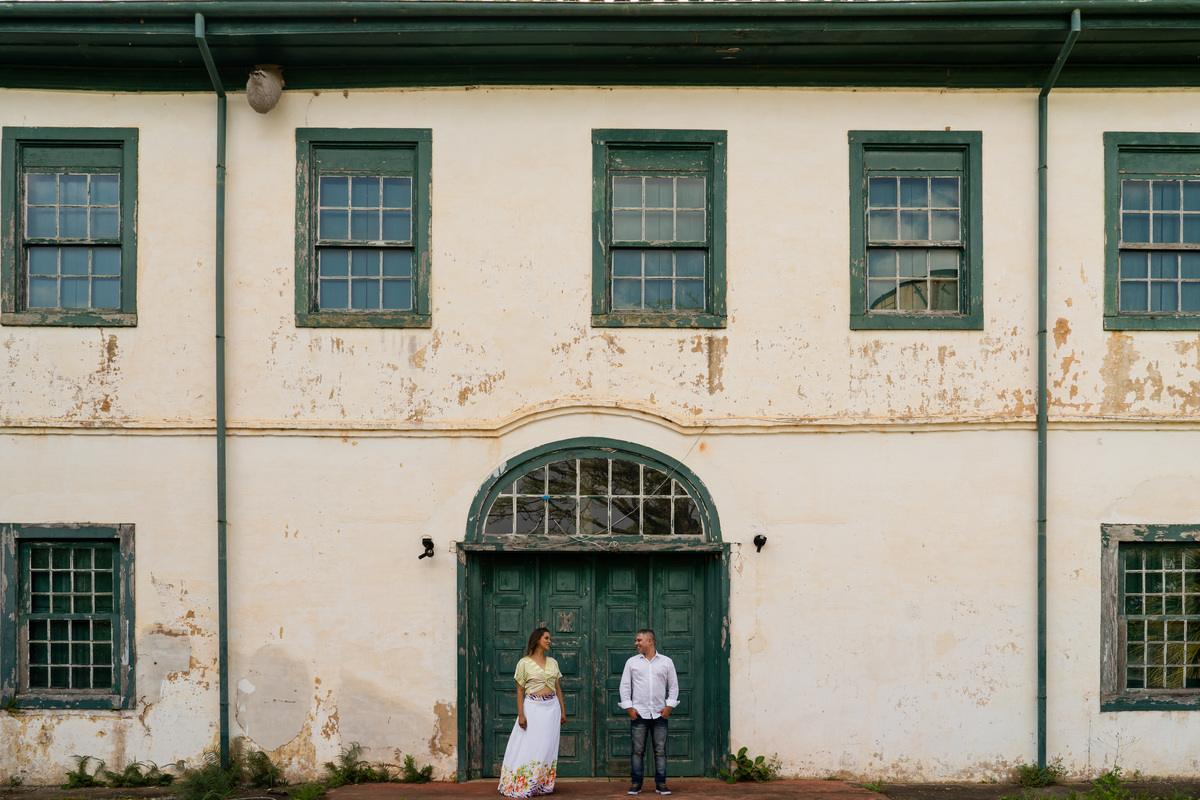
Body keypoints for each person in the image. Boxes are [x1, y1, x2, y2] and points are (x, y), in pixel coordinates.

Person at [498, 627, 567, 797]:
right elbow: (520, 691)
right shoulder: (524, 663)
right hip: (532, 707)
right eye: (546, 638)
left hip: (552, 708)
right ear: (537, 640)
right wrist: (521, 714)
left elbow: (558, 688)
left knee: (546, 746)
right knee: (528, 744)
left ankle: (541, 784)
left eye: (550, 638)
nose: (550, 641)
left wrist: (563, 712)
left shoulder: (553, 663)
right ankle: (522, 784)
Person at [618, 628, 679, 796]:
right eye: (636, 640)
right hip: (639, 714)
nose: (636, 643)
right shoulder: (632, 662)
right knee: (637, 751)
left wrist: (669, 707)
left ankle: (661, 784)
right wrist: (629, 708)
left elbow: (673, 687)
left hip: (660, 714)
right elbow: (624, 686)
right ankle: (636, 783)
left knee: (660, 751)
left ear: (649, 641)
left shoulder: (666, 662)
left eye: (639, 640)